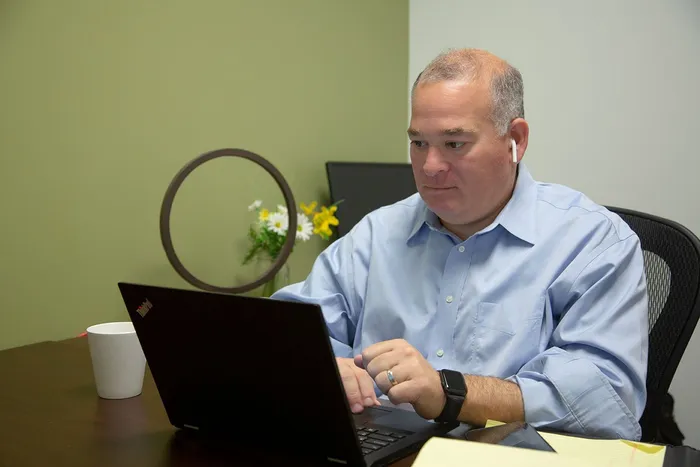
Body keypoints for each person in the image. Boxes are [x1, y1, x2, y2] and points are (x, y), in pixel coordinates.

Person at [272, 48, 649, 441]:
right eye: (418, 143)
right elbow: (279, 335)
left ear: (515, 140)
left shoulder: (593, 243)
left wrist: (450, 393)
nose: (430, 166)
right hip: (384, 450)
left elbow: (607, 403)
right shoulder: (377, 234)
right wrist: (326, 366)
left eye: (454, 144)